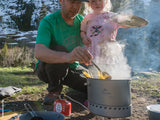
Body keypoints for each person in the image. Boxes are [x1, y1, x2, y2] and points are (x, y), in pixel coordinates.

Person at [35, 0, 92, 105]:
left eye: (79, 3)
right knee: (59, 49)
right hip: (47, 69)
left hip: (71, 68)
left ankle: (73, 91)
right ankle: (54, 90)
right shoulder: (48, 21)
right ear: (61, 1)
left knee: (94, 86)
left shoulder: (82, 22)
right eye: (72, 2)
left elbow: (95, 37)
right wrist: (68, 56)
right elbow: (39, 52)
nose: (75, 7)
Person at [80, 0, 132, 79]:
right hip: (92, 50)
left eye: (100, 0)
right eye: (93, 1)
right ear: (89, 4)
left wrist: (129, 20)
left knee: (109, 72)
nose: (97, 3)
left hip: (108, 50)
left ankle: (110, 87)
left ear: (106, 2)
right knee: (93, 73)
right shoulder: (87, 17)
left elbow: (127, 25)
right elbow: (82, 31)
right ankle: (94, 87)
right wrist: (84, 37)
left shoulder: (113, 17)